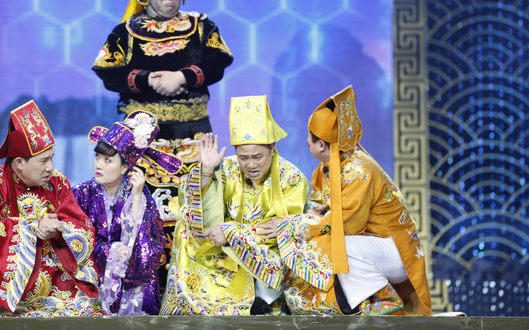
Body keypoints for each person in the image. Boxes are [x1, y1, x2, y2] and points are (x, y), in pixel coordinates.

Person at [92, 0, 233, 289]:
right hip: (141, 143)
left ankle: (198, 287)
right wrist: (147, 80)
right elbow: (107, 71)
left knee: (196, 209)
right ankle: (144, 287)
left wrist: (183, 77)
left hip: (192, 134)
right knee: (142, 213)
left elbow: (218, 62)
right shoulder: (125, 32)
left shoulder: (201, 27)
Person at [0, 100, 102, 317]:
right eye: (43, 161)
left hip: (50, 273)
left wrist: (60, 229)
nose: (50, 168)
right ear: (20, 163)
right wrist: (32, 229)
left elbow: (81, 224)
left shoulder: (57, 182)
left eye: (51, 158)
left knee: (84, 304)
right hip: (3, 273)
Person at [275, 85, 432, 315]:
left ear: (321, 145)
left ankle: (381, 300)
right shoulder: (327, 167)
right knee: (319, 242)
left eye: (309, 136)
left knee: (338, 245)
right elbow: (318, 203)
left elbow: (348, 224)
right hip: (370, 247)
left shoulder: (359, 170)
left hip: (393, 249)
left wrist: (298, 226)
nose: (306, 141)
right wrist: (312, 215)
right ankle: (353, 304)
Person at [160, 96, 309, 315]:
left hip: (261, 250)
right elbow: (195, 207)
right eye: (243, 157)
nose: (250, 165)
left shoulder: (292, 178)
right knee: (185, 225)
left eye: (257, 156)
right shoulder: (228, 167)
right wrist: (207, 172)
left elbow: (282, 229)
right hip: (223, 250)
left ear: (272, 148)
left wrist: (231, 234)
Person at [72, 110, 182, 315]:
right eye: (97, 157)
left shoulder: (139, 193)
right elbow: (74, 239)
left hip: (130, 282)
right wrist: (112, 252)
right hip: (92, 276)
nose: (98, 165)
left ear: (124, 168)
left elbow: (147, 249)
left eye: (107, 160)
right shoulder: (82, 193)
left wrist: (137, 197)